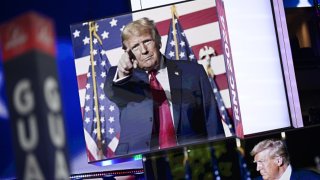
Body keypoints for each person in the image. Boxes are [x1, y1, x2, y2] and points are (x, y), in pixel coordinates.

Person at [104, 17, 224, 155]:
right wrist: (123, 72)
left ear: (158, 42)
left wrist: (218, 155)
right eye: (135, 47)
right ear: (127, 53)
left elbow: (212, 121)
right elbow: (113, 93)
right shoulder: (120, 77)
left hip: (192, 158)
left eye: (147, 41)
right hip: (139, 163)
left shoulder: (193, 72)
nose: (143, 50)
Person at [251, 139, 320, 180]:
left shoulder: (310, 178)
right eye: (256, 163)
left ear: (279, 161)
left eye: (261, 162)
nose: (258, 168)